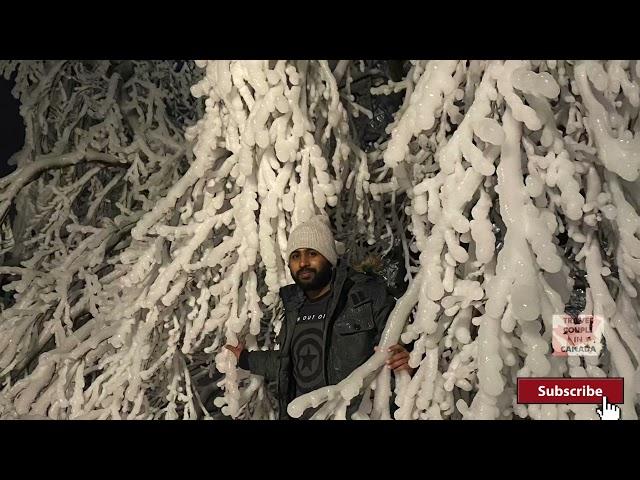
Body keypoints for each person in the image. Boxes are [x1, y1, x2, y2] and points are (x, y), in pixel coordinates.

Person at [225, 215, 412, 419]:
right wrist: (246, 359)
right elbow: (291, 363)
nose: (303, 262)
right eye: (295, 256)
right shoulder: (294, 306)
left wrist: (407, 359)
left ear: (328, 257)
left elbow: (404, 345)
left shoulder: (366, 294)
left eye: (312, 253)